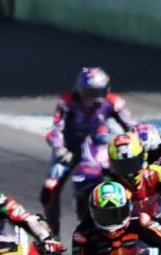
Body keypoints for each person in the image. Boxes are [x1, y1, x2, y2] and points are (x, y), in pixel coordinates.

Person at [41, 67, 136, 237]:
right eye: (90, 92)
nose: (95, 98)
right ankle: (52, 233)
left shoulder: (114, 102)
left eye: (99, 92)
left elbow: (132, 127)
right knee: (49, 189)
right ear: (79, 90)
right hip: (69, 150)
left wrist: (134, 145)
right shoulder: (66, 102)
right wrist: (60, 148)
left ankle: (121, 219)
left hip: (96, 149)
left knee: (121, 178)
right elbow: (56, 130)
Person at [104, 131, 161, 225]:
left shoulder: (157, 173)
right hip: (130, 228)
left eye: (132, 164)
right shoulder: (109, 186)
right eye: (122, 166)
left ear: (143, 157)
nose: (129, 173)